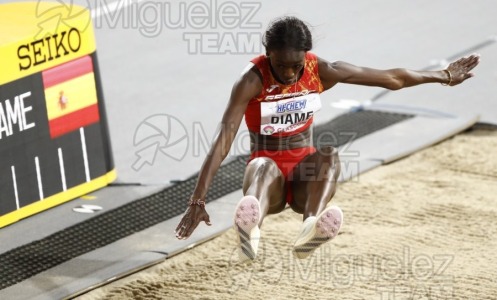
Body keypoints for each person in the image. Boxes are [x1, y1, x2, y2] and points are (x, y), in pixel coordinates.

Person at [174, 16, 480, 261]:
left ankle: (310, 227)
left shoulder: (320, 70)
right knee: (264, 166)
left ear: (305, 56)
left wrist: (444, 76)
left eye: (297, 66)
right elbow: (223, 139)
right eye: (282, 66)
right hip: (269, 180)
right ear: (268, 55)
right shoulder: (251, 80)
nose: (291, 74)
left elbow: (392, 78)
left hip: (305, 176)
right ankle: (250, 232)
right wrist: (197, 199)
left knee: (330, 154)